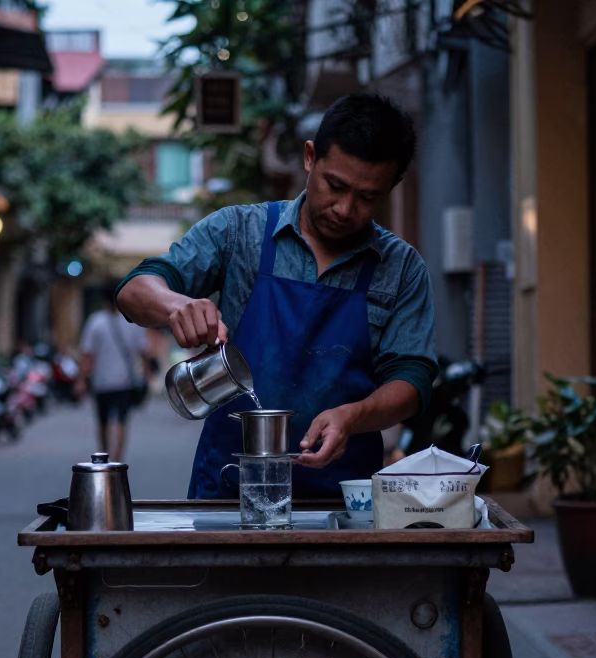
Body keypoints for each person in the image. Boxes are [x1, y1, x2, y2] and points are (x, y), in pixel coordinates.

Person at [116, 93, 437, 499]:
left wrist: (352, 416)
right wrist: (177, 304)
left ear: (393, 186)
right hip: (228, 493)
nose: (344, 208)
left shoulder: (402, 267)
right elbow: (134, 288)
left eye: (367, 197)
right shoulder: (239, 231)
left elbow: (413, 380)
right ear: (309, 158)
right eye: (334, 186)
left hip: (344, 501)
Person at [76, 283, 150, 462]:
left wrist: (81, 379)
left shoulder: (95, 322)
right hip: (124, 381)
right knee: (121, 421)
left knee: (103, 421)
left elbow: (87, 355)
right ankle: (117, 459)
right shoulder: (132, 321)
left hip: (101, 382)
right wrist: (146, 375)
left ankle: (104, 455)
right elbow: (143, 352)